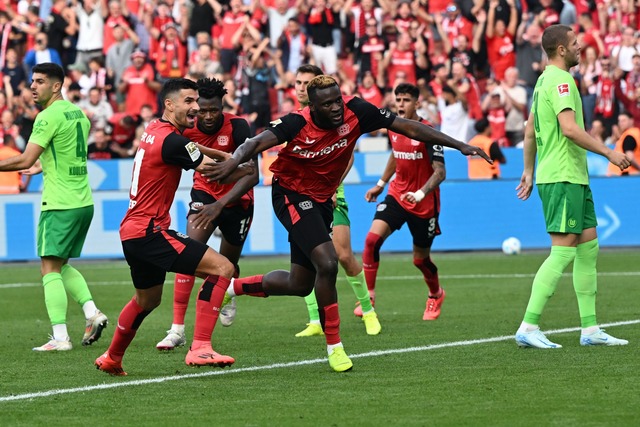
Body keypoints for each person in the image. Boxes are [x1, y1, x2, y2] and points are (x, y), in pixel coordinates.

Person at [205, 75, 492, 372]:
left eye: (337, 100)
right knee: (328, 263)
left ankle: (233, 288)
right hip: (290, 193)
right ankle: (335, 348)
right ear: (312, 107)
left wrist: (460, 144)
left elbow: (408, 126)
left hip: (322, 200)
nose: (336, 108)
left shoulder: (357, 112)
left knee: (300, 284)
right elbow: (255, 142)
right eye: (327, 104)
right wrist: (232, 161)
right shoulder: (296, 122)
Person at [94, 78, 255, 376]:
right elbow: (210, 168)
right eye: (189, 102)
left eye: (197, 101)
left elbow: (200, 152)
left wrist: (231, 157)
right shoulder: (173, 141)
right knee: (223, 268)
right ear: (169, 104)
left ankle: (112, 357)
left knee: (147, 299)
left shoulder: (156, 131)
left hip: (132, 231)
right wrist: (243, 167)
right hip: (151, 231)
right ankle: (200, 348)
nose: (195, 108)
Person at [514, 25, 631, 349]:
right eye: (575, 43)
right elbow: (568, 129)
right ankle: (529, 324)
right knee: (563, 252)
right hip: (563, 176)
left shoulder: (542, 82)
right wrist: (609, 151)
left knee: (588, 247)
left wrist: (527, 169)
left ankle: (590, 329)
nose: (581, 47)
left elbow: (528, 131)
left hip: (572, 176)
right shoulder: (561, 80)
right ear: (562, 50)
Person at [0, 63, 108, 351]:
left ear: (56, 86)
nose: (33, 86)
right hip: (83, 201)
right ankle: (91, 313)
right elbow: (64, 153)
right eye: (32, 81)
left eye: (39, 81)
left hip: (59, 203)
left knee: (48, 268)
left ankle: (60, 338)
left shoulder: (47, 116)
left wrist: (30, 162)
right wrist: (43, 164)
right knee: (61, 265)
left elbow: (22, 159)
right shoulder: (78, 114)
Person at [156, 77, 257, 350]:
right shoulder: (185, 129)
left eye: (215, 110)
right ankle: (177, 329)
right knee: (190, 254)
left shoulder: (238, 126)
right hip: (203, 195)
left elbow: (253, 175)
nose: (209, 116)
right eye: (204, 110)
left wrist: (221, 204)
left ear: (222, 106)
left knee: (228, 265)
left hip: (238, 201)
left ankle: (229, 290)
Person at [291, 64, 381, 338]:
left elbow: (348, 155)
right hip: (303, 197)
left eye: (306, 82)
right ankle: (315, 321)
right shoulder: (293, 121)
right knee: (307, 258)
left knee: (342, 254)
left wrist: (331, 187)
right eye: (297, 82)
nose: (301, 87)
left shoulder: (338, 119)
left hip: (332, 195)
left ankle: (368, 311)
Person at [361, 83, 447, 321]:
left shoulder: (429, 132)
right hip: (397, 195)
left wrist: (420, 194)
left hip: (424, 204)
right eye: (398, 99)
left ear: (417, 103)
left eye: (406, 100)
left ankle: (435, 294)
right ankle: (368, 297)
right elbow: (396, 155)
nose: (400, 104)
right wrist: (380, 183)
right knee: (371, 241)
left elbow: (440, 172)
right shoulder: (393, 127)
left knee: (420, 260)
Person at [607, 111, 640, 176]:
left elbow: (629, 156)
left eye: (624, 120)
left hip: (625, 175)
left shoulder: (630, 135)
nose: (621, 123)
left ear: (631, 120)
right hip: (621, 174)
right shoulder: (631, 133)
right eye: (619, 121)